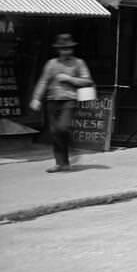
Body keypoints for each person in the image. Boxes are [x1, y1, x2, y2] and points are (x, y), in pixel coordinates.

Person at [29, 34, 94, 173]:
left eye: (69, 48)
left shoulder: (79, 63)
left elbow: (87, 81)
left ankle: (70, 147)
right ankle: (61, 163)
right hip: (52, 100)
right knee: (54, 132)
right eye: (63, 49)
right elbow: (43, 81)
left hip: (69, 100)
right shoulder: (51, 64)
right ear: (58, 50)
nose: (66, 51)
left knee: (62, 128)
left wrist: (69, 79)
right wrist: (36, 98)